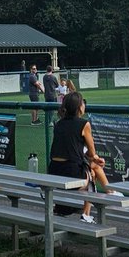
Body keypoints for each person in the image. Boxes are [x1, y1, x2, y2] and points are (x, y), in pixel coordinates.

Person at [48, 91, 104, 223]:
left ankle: (61, 209)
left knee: (91, 169)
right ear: (79, 107)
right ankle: (86, 214)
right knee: (92, 174)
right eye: (83, 102)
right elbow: (91, 153)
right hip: (72, 172)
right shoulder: (84, 124)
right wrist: (96, 159)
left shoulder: (59, 123)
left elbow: (67, 149)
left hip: (53, 171)